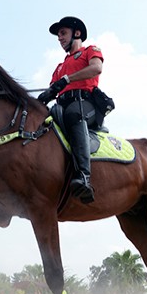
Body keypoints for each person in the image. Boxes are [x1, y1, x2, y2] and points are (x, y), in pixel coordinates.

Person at [37, 16, 103, 204]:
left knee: (73, 114)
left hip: (85, 105)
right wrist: (45, 96)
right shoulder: (59, 67)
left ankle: (83, 176)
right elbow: (53, 88)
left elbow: (96, 68)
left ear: (77, 33)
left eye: (63, 33)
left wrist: (66, 80)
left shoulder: (90, 51)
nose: (60, 38)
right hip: (62, 106)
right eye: (59, 36)